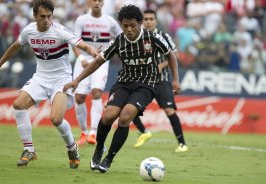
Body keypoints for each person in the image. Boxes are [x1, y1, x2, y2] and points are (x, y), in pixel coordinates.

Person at [63, 4, 181, 173]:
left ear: (140, 24)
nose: (129, 29)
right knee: (109, 115)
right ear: (121, 24)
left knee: (125, 117)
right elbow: (97, 62)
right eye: (125, 26)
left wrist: (175, 80)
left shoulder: (152, 38)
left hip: (146, 85)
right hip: (124, 83)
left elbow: (170, 55)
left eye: (133, 25)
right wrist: (77, 81)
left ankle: (109, 158)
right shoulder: (118, 41)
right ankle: (99, 149)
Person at [0, 0, 99, 169]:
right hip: (40, 78)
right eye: (42, 16)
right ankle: (29, 149)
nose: (46, 19)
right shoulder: (29, 31)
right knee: (18, 105)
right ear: (35, 16)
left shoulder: (60, 30)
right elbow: (15, 46)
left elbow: (81, 44)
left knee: (55, 119)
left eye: (49, 16)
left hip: (61, 80)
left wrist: (91, 50)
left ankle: (72, 147)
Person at [132, 9, 188, 152]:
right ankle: (144, 132)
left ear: (156, 21)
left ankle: (182, 144)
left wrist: (162, 65)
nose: (148, 21)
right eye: (146, 19)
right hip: (144, 80)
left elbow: (175, 55)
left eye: (151, 19)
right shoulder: (137, 37)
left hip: (162, 81)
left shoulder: (164, 36)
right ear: (141, 22)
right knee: (129, 107)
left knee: (169, 111)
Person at [72, 0, 122, 145]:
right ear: (89, 2)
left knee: (97, 92)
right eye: (94, 0)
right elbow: (74, 42)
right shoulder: (81, 20)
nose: (97, 3)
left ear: (103, 3)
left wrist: (110, 50)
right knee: (80, 97)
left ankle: (93, 133)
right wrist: (81, 58)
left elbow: (121, 38)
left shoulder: (110, 21)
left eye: (100, 0)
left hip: (101, 61)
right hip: (83, 61)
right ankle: (83, 132)